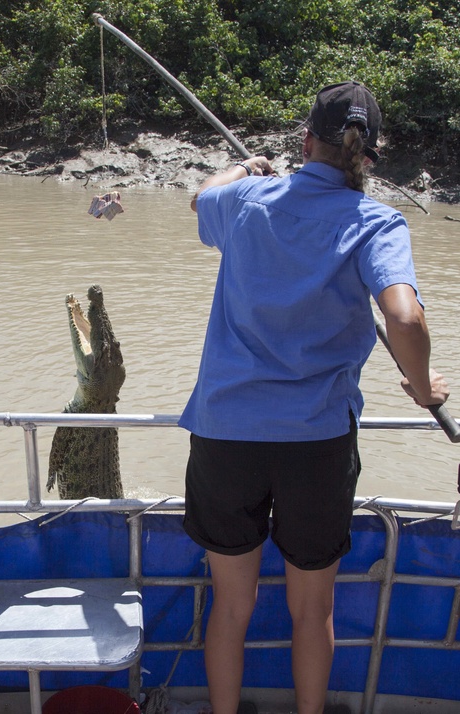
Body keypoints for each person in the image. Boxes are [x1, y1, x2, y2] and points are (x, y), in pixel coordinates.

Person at [180, 81, 450, 714]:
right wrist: (418, 383)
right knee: (313, 609)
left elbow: (200, 199)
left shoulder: (247, 198)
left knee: (232, 604)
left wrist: (244, 167)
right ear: (369, 155)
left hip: (227, 436)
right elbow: (404, 320)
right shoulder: (376, 221)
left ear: (306, 141)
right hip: (316, 442)